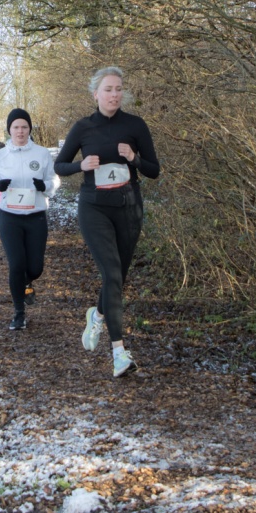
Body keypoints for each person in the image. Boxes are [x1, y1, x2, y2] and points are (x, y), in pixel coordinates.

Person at [54, 67, 160, 378]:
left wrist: (135, 159)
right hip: (94, 208)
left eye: (118, 89)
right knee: (111, 273)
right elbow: (59, 165)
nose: (114, 94)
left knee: (118, 277)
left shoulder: (135, 125)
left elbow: (154, 170)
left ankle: (98, 315)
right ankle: (118, 352)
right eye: (108, 89)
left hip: (128, 207)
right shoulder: (83, 127)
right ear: (96, 94)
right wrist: (81, 165)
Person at [0, 108, 57, 331]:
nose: (20, 131)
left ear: (30, 129)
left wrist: (45, 186)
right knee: (17, 265)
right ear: (9, 130)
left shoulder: (42, 154)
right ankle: (19, 313)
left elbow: (54, 180)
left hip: (36, 217)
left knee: (36, 268)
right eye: (16, 127)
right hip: (9, 217)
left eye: (24, 127)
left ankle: (28, 281)